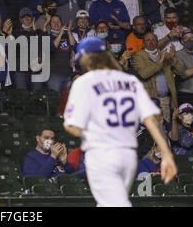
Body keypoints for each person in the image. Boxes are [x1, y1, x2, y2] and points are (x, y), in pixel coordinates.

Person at [63, 37, 177, 207]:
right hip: (127, 155)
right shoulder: (130, 81)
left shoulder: (83, 82)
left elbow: (72, 125)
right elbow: (152, 120)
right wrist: (166, 154)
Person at [132, 32, 184, 122]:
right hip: (149, 101)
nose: (151, 42)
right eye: (147, 40)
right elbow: (143, 74)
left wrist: (173, 58)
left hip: (165, 100)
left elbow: (181, 71)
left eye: (153, 40)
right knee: (151, 131)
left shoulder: (164, 54)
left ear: (157, 42)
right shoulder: (138, 56)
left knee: (166, 130)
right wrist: (160, 62)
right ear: (143, 43)